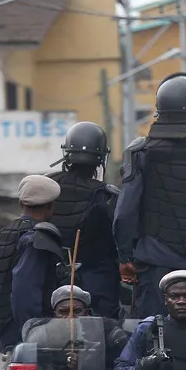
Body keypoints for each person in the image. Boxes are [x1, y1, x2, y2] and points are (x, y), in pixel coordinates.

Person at [112, 72, 186, 326]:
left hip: (155, 265)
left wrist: (125, 258)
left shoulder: (141, 153)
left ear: (159, 110)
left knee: (149, 340)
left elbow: (124, 214)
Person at [0, 174, 68, 353]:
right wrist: (35, 334)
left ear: (22, 204)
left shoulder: (3, 234)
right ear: (51, 206)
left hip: (4, 332)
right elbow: (25, 292)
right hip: (28, 337)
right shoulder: (37, 240)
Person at [47, 121, 122, 319]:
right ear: (101, 158)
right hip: (97, 283)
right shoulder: (107, 195)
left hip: (50, 281)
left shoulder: (47, 185)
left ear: (66, 152)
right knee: (106, 333)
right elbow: (120, 239)